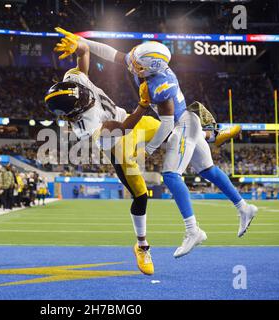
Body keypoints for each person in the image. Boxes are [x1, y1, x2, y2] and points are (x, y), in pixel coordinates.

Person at [48, 28, 243, 274]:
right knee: (141, 196)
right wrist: (142, 105)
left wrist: (79, 44)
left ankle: (211, 133)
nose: (88, 94)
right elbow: (122, 128)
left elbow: (85, 53)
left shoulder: (74, 83)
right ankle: (142, 246)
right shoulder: (86, 126)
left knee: (173, 129)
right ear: (74, 113)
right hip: (118, 141)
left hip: (127, 119)